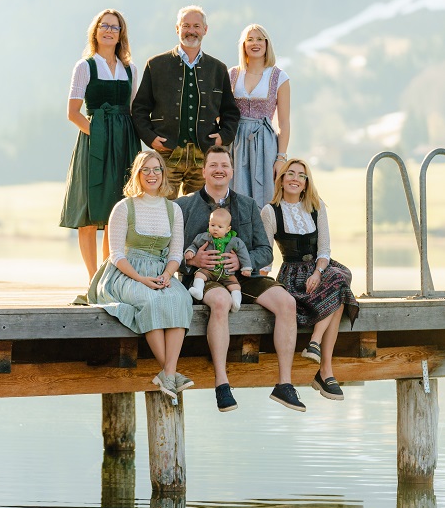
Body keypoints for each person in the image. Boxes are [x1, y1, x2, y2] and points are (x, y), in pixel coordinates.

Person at [176, 145, 305, 413]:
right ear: (204, 171)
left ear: (232, 172)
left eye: (224, 165)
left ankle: (284, 384)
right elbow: (168, 251)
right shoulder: (183, 206)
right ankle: (222, 384)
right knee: (221, 301)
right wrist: (191, 260)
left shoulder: (247, 205)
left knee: (287, 303)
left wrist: (242, 261)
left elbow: (265, 250)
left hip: (243, 277)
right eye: (213, 165)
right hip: (203, 278)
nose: (219, 170)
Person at [87, 150, 194, 400]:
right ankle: (171, 373)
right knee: (150, 300)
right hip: (127, 272)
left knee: (181, 299)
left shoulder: (173, 210)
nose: (151, 174)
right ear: (137, 174)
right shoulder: (124, 207)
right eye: (145, 169)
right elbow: (116, 254)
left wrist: (168, 274)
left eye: (156, 169)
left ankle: (168, 373)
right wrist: (140, 278)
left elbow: (176, 253)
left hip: (161, 271)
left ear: (163, 173)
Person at [260, 158, 359, 401]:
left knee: (339, 277)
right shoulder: (270, 211)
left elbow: (324, 250)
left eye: (301, 176)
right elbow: (265, 252)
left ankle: (315, 342)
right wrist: (260, 278)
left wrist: (317, 272)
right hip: (293, 276)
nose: (295, 178)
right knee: (339, 296)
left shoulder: (317, 207)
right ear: (282, 180)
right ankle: (325, 371)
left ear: (306, 184)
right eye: (290, 174)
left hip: (320, 271)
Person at [60, 9, 140, 284]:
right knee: (89, 209)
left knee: (115, 210)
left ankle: (108, 276)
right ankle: (92, 278)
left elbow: (133, 109)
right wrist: (98, 133)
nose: (108, 31)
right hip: (95, 141)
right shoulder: (85, 66)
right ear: (95, 31)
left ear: (121, 34)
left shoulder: (131, 69)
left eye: (114, 27)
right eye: (104, 26)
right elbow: (73, 112)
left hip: (125, 142)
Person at [132, 5, 240, 199]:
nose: (191, 31)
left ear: (205, 30)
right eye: (186, 25)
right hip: (166, 153)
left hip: (204, 155)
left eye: (197, 26)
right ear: (177, 29)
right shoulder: (156, 65)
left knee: (201, 213)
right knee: (163, 210)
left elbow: (230, 112)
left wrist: (223, 137)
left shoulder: (217, 68)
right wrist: (150, 138)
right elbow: (140, 108)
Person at [229, 24, 290, 209]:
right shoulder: (233, 74)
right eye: (250, 39)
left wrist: (281, 158)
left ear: (266, 43)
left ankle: (262, 237)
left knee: (265, 196)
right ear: (243, 45)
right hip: (236, 142)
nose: (255, 43)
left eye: (259, 39)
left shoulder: (278, 76)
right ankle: (237, 238)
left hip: (265, 143)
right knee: (234, 195)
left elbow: (284, 122)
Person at [184, 207, 252, 312]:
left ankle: (236, 302)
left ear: (228, 229)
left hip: (227, 272)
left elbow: (243, 253)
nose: (215, 229)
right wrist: (190, 252)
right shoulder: (204, 237)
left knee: (235, 286)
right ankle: (198, 291)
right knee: (199, 275)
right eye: (212, 225)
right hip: (209, 270)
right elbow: (194, 245)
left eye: (220, 227)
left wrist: (246, 267)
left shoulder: (234, 241)